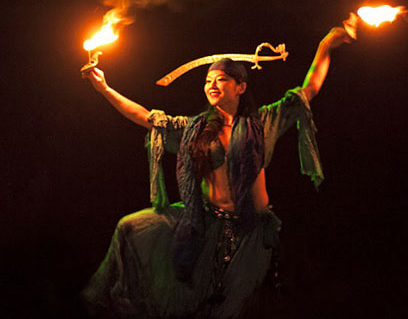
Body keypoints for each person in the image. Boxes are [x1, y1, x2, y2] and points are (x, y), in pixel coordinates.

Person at [81, 27, 350, 318]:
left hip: (251, 230)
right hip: (206, 224)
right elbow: (145, 117)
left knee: (229, 309)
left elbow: (308, 90)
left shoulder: (262, 123)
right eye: (208, 80)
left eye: (221, 79)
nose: (212, 85)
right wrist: (105, 89)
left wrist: (325, 46)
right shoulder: (195, 129)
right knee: (130, 227)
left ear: (240, 87)